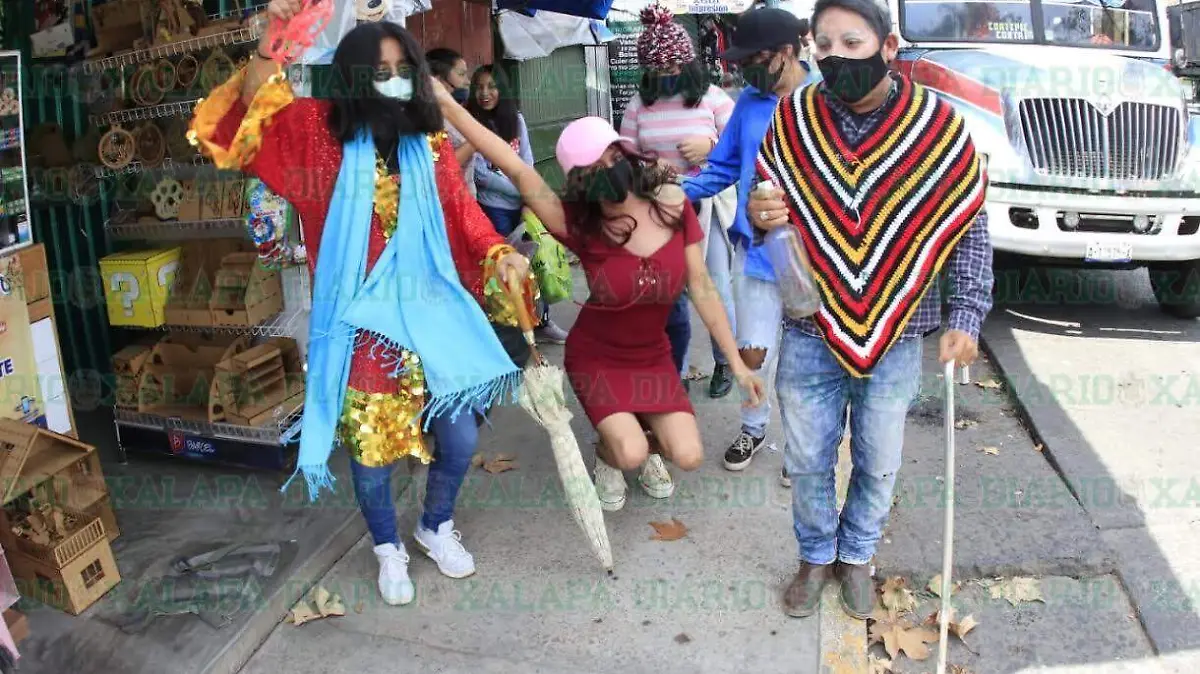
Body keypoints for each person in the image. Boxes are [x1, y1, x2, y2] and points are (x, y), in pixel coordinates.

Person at [190, 5, 537, 607]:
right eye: (380, 72)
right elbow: (247, 120)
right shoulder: (313, 133)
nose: (394, 81)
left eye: (404, 69)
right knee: (373, 453)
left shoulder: (428, 143)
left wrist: (500, 253)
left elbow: (464, 215)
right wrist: (272, 44)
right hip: (361, 329)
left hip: (433, 314)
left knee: (459, 441)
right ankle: (386, 547)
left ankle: (435, 526)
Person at [749, 0, 994, 620]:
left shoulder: (937, 126)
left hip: (901, 329)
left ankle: (856, 556)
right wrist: (758, 214)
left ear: (888, 47)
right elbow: (767, 210)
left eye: (852, 42)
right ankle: (815, 556)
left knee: (879, 460)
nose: (836, 56)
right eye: (824, 44)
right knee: (807, 459)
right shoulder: (793, 120)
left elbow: (969, 224)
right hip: (809, 324)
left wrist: (966, 315)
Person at [434, 86, 766, 512]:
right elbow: (513, 166)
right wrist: (448, 107)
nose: (609, 168)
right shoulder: (578, 224)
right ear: (580, 182)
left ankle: (638, 436)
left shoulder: (671, 204)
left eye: (613, 156)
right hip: (598, 356)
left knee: (687, 455)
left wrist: (736, 363)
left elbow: (702, 287)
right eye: (595, 167)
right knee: (629, 452)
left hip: (651, 355)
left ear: (625, 153)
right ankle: (609, 454)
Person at [682, 7, 816, 479]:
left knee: (807, 362)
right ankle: (754, 428)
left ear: (787, 52)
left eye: (755, 61)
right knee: (753, 353)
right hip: (757, 254)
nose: (746, 71)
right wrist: (673, 193)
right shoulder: (749, 104)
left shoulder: (827, 97)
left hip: (816, 259)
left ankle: (806, 446)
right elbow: (722, 167)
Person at [620, 3, 737, 399]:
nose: (667, 75)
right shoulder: (638, 105)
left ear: (687, 64)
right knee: (670, 295)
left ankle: (725, 361)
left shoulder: (714, 98)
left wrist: (711, 147)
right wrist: (647, 171)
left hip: (707, 209)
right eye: (658, 70)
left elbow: (742, 150)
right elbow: (625, 156)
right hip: (659, 211)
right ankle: (677, 368)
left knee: (715, 287)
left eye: (673, 67)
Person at [467, 65, 570, 345]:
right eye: (479, 87)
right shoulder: (471, 123)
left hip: (523, 206)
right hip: (493, 209)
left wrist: (528, 198)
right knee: (504, 269)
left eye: (492, 86)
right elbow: (481, 174)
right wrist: (521, 188)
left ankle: (542, 321)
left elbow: (527, 162)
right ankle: (511, 331)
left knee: (536, 263)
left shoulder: (516, 120)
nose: (485, 93)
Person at [426, 47, 478, 196]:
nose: (467, 82)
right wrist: (475, 141)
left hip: (467, 198)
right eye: (461, 74)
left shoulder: (457, 112)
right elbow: (442, 169)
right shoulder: (429, 118)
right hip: (448, 202)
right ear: (437, 79)